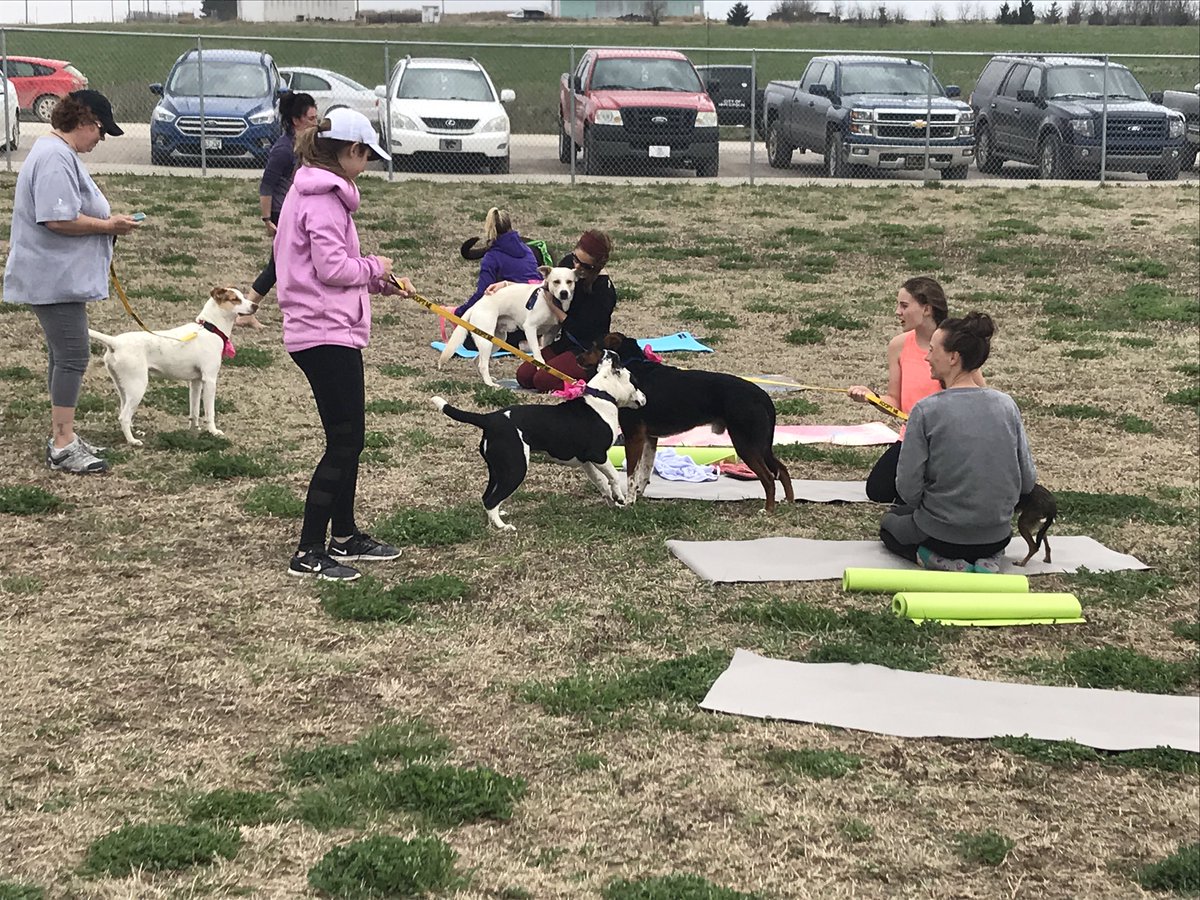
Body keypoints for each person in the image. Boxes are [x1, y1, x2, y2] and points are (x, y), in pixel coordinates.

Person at [274, 107, 415, 582]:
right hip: (322, 332)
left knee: (349, 438)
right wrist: (376, 267)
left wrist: (380, 283)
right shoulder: (323, 200)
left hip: (329, 327)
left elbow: (333, 266)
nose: (369, 165)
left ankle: (346, 534)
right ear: (350, 152)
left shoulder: (316, 192)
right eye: (367, 156)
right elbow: (334, 270)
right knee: (344, 439)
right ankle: (309, 549)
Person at [2, 90, 140, 475]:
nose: (101, 138)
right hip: (52, 277)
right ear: (84, 121)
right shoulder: (53, 158)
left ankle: (63, 434)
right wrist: (109, 226)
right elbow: (57, 218)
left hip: (56, 276)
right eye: (101, 130)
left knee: (62, 355)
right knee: (74, 355)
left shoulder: (56, 154)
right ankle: (63, 445)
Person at [879, 313, 1036, 575]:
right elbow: (1028, 481)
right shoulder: (1006, 405)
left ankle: (939, 560)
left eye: (932, 350)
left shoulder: (926, 410)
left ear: (953, 357)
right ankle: (989, 559)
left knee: (890, 524)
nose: (927, 357)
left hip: (941, 537)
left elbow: (907, 487)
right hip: (996, 536)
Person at [848, 277, 983, 503]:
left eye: (904, 305)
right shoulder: (898, 345)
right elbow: (895, 402)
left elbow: (979, 395)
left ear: (927, 309)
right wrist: (872, 398)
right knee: (878, 490)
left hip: (948, 441)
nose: (897, 312)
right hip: (912, 439)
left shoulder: (955, 345)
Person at [239, 90, 318, 329]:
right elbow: (267, 186)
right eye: (311, 118)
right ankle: (246, 311)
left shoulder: (306, 145)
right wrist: (266, 219)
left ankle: (248, 310)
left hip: (295, 212)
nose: (316, 122)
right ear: (296, 121)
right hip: (280, 214)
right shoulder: (283, 150)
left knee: (285, 263)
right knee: (277, 264)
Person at [513, 229, 617, 393]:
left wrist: (555, 309)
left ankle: (593, 375)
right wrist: (507, 286)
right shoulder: (568, 264)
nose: (576, 266)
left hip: (587, 348)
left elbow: (582, 330)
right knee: (524, 376)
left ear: (597, 266)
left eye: (585, 265)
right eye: (576, 259)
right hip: (565, 342)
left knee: (542, 380)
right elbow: (547, 284)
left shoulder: (603, 292)